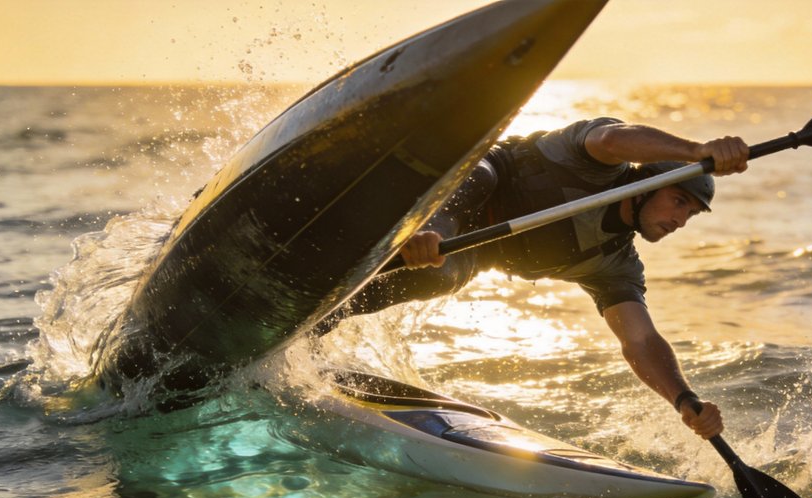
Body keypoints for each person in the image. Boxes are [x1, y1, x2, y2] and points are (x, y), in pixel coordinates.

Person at [317, 117, 749, 441]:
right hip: (459, 186)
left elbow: (640, 341)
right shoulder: (596, 165)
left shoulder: (614, 263)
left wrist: (684, 399)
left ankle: (317, 317)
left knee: (442, 276)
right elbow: (610, 139)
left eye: (691, 213)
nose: (680, 220)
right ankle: (422, 235)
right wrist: (696, 150)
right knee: (475, 184)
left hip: (469, 252)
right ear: (646, 184)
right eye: (678, 201)